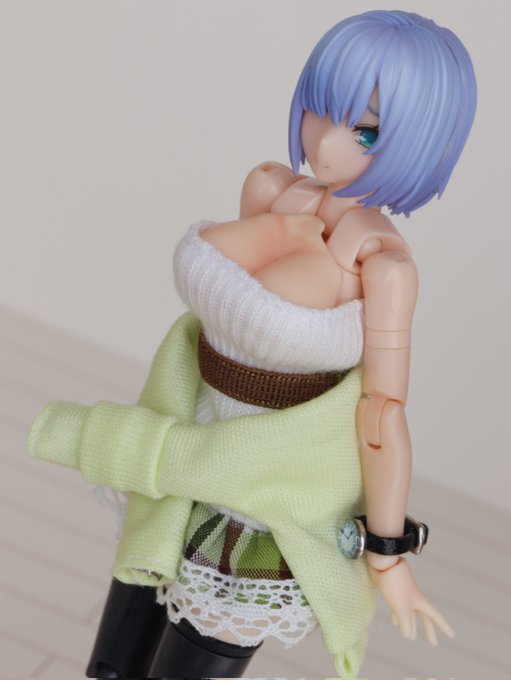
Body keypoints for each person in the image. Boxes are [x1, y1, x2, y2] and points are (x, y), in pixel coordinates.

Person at [28, 10, 476, 679]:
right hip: (182, 451)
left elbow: (380, 414)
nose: (326, 142)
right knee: (113, 664)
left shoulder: (381, 266)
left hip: (265, 490)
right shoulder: (270, 190)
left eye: (365, 131)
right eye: (321, 108)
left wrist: (386, 552)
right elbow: (215, 315)